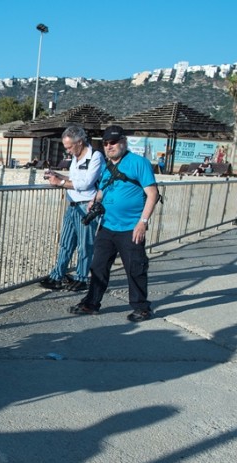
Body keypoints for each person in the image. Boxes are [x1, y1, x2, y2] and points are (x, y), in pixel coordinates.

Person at [69, 125, 159, 322]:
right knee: (98, 266)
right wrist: (95, 201)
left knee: (135, 268)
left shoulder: (139, 163)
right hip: (108, 226)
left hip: (131, 227)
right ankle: (91, 303)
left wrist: (142, 223)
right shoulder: (106, 166)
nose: (109, 146)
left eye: (113, 142)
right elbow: (102, 190)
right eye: (106, 143)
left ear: (123, 143)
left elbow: (153, 194)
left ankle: (142, 308)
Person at [38, 125, 104, 292]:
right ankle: (57, 276)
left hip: (87, 206)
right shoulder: (75, 158)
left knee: (85, 245)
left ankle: (82, 278)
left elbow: (86, 183)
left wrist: (60, 183)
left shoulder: (95, 157)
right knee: (66, 243)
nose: (67, 150)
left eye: (69, 147)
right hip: (72, 205)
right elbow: (74, 179)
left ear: (79, 142)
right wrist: (59, 176)